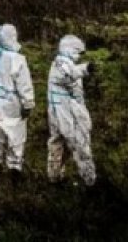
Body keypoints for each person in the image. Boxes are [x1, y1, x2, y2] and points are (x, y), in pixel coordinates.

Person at [0, 24, 35, 175]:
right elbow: (24, 84)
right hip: (10, 103)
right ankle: (14, 168)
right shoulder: (18, 59)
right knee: (16, 137)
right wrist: (28, 103)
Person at [46, 35, 96, 187]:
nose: (79, 57)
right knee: (79, 144)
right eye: (78, 53)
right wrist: (85, 69)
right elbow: (68, 75)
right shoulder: (62, 63)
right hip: (66, 112)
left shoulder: (62, 62)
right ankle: (89, 180)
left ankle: (54, 176)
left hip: (58, 110)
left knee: (57, 142)